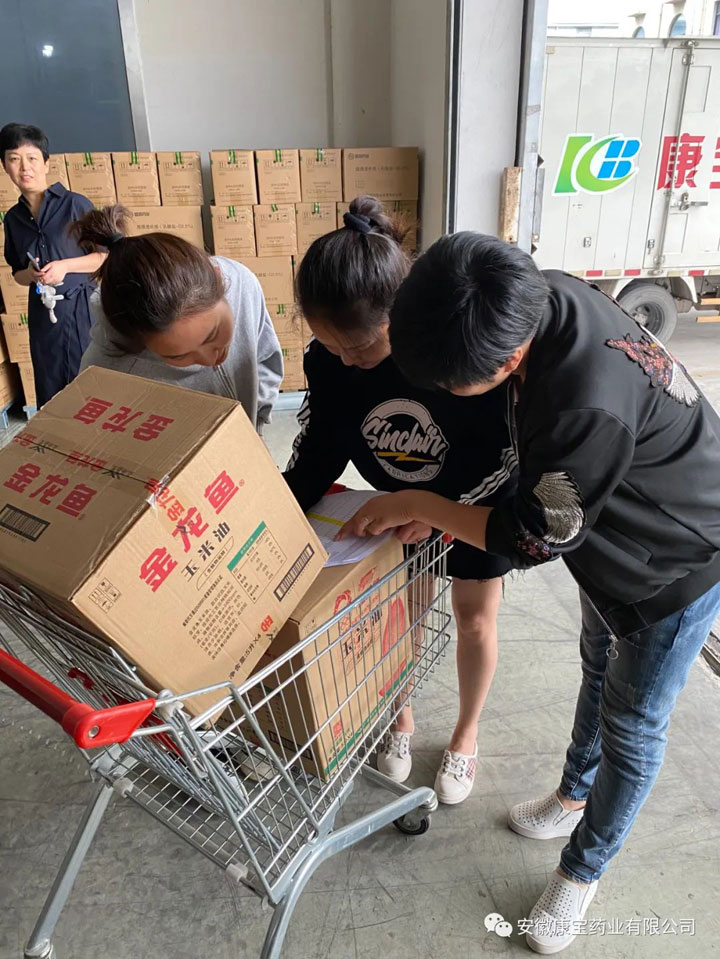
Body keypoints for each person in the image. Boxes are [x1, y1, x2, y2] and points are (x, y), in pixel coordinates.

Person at [338, 232, 720, 953]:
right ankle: (574, 793)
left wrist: (421, 502)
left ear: (508, 361)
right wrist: (438, 508)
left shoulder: (580, 407)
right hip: (614, 541)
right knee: (599, 666)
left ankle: (583, 869)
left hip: (673, 561)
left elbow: (533, 539)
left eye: (451, 386)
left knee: (634, 725)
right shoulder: (537, 295)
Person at [284, 197, 518, 804]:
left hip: (473, 503)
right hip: (397, 507)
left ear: (404, 316)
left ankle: (465, 735)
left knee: (473, 618)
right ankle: (400, 715)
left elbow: (500, 457)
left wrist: (436, 512)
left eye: (361, 349)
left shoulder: (450, 351)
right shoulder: (331, 360)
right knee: (404, 617)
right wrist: (280, 508)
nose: (347, 361)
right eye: (332, 348)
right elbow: (319, 446)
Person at [75, 205, 282, 432]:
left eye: (212, 334)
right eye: (178, 356)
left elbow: (265, 356)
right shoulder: (105, 373)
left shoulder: (241, 281)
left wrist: (257, 421)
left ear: (218, 279)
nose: (211, 359)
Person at [1, 122, 106, 406]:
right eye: (14, 159)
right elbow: (17, 274)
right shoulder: (13, 220)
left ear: (46, 163)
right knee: (50, 388)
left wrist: (65, 266)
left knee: (88, 387)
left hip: (80, 311)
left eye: (32, 158)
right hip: (42, 316)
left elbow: (103, 256)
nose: (25, 167)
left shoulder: (75, 205)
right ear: (5, 167)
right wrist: (31, 274)